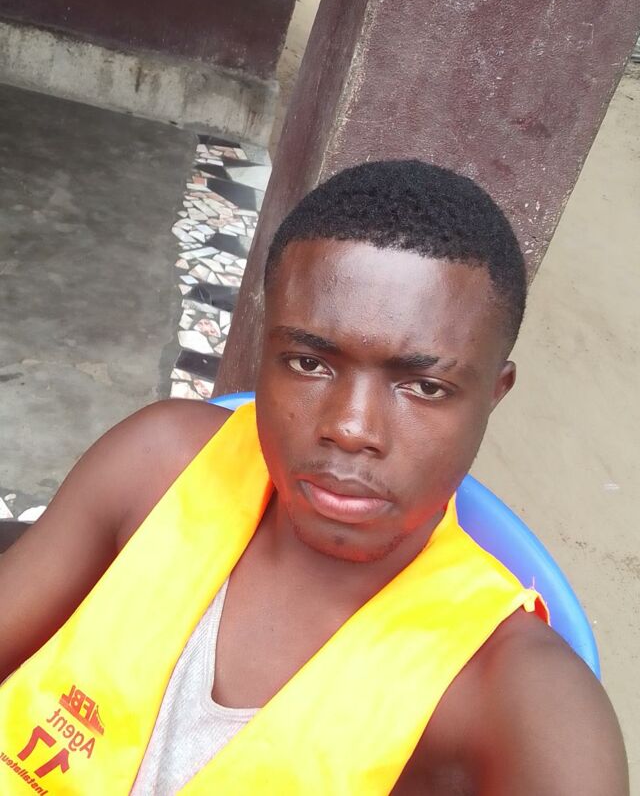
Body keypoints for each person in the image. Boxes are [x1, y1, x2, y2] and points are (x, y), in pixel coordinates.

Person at [0, 161, 628, 795]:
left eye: (425, 386)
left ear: (493, 394)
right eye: (308, 362)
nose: (351, 428)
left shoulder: (515, 692)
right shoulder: (157, 466)